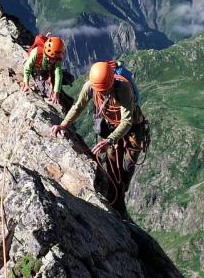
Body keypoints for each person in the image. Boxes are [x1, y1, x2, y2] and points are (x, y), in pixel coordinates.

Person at [51, 60, 147, 214]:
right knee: (112, 163)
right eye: (99, 90)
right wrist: (63, 124)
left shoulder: (123, 89)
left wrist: (109, 139)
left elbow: (127, 121)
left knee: (128, 166)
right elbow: (78, 107)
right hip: (113, 127)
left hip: (133, 128)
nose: (102, 93)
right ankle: (116, 198)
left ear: (111, 82)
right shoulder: (90, 87)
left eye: (105, 90)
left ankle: (122, 190)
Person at [22, 35, 65, 105]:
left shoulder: (57, 58)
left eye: (56, 59)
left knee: (68, 78)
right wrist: (26, 83)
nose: (54, 61)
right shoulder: (36, 53)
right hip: (36, 69)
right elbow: (27, 67)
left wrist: (56, 92)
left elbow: (58, 75)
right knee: (45, 90)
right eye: (52, 58)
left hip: (46, 69)